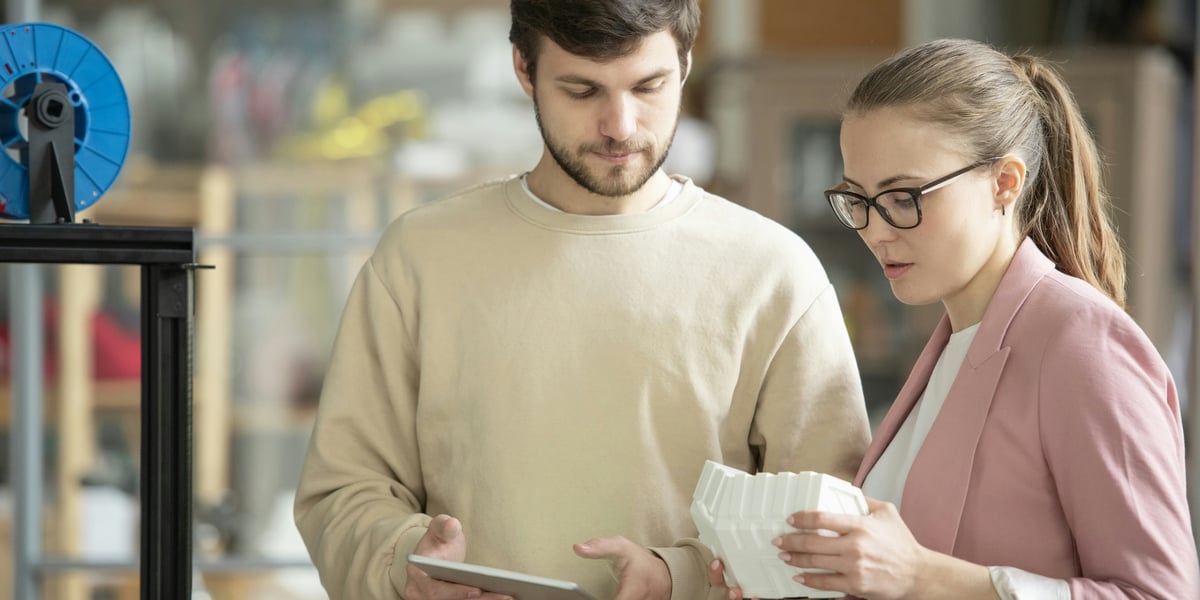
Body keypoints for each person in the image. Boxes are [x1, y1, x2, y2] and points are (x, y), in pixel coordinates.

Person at [293, 2, 872, 599]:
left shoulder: (775, 274)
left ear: (687, 63)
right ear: (524, 69)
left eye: (649, 86)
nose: (620, 125)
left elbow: (831, 525)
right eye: (581, 90)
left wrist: (681, 575)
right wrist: (404, 564)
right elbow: (343, 491)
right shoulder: (418, 259)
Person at [710, 37, 1200, 599]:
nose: (875, 230)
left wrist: (922, 578)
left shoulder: (1082, 343)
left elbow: (1160, 594)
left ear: (1004, 184)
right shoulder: (949, 347)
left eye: (903, 197)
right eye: (858, 200)